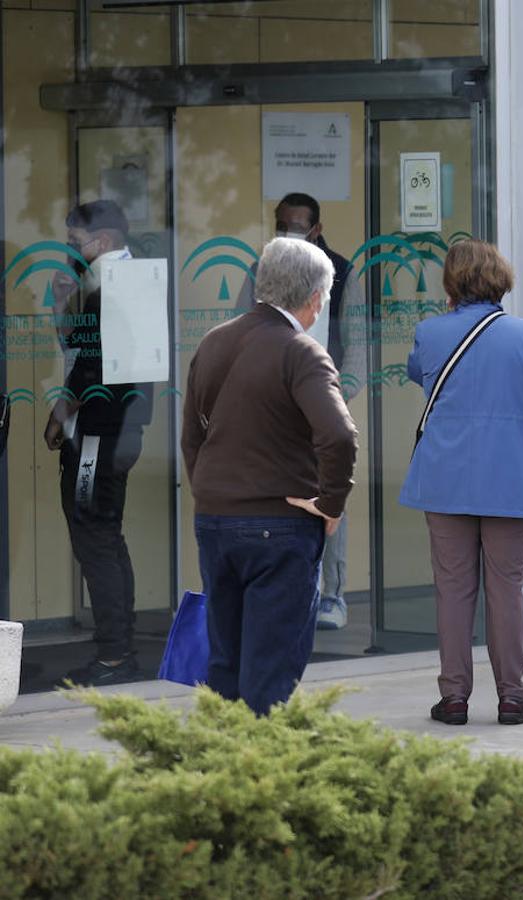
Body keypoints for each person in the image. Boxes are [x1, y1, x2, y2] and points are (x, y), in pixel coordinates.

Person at [402, 240, 523, 727]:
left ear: (452, 283)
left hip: (445, 479)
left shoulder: (430, 332)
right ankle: (512, 697)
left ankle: (453, 697)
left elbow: (420, 372)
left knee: (453, 590)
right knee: (507, 590)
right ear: (501, 280)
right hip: (512, 480)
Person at [182, 237, 358, 715]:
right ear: (315, 298)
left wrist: (211, 491)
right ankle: (263, 774)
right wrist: (330, 504)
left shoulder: (214, 341)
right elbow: (340, 437)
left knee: (225, 662)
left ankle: (221, 769)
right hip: (280, 526)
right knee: (271, 669)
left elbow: (191, 438)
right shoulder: (302, 352)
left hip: (216, 522)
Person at [236, 193, 363, 632]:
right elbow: (239, 334)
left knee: (328, 499)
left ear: (317, 230)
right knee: (274, 499)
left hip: (323, 408)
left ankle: (333, 594)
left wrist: (334, 401)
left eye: (297, 226)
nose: (288, 234)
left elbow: (358, 345)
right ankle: (287, 590)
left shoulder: (343, 274)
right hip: (271, 410)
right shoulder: (260, 273)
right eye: (281, 225)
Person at [49, 200, 154, 687]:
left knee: (94, 534)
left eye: (76, 243)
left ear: (104, 242)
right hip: (120, 431)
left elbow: (90, 363)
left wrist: (63, 409)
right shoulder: (131, 283)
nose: (72, 251)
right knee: (106, 535)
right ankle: (118, 647)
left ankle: (114, 654)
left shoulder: (111, 288)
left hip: (98, 435)